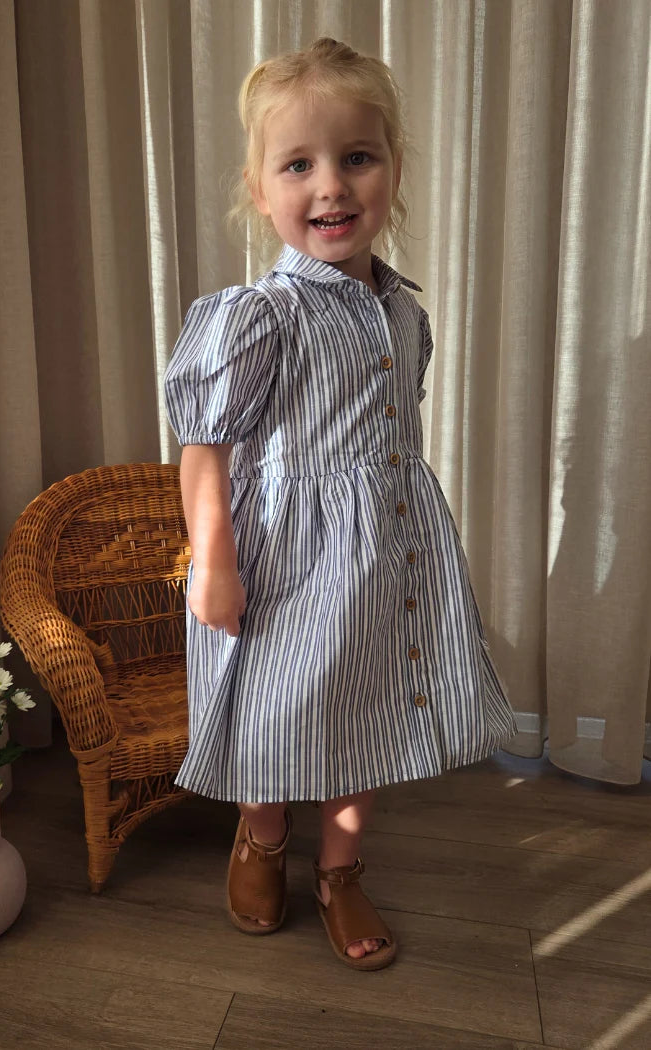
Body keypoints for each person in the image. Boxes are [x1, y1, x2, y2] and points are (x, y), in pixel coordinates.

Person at [164, 37, 518, 971]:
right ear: (260, 187)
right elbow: (205, 447)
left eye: (357, 157)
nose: (331, 186)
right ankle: (262, 837)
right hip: (281, 555)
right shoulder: (257, 316)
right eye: (299, 164)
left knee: (365, 716)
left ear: (393, 172)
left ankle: (341, 867)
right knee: (283, 711)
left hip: (384, 551)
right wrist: (214, 561)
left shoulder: (406, 312)